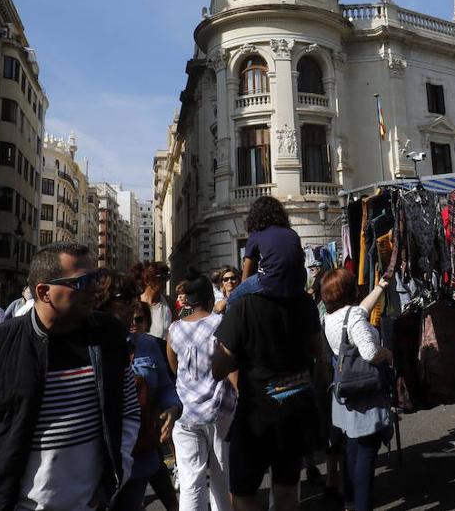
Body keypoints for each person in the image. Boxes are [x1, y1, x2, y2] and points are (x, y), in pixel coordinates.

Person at [0, 241, 140, 510]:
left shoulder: (107, 335)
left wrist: (117, 475)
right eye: (83, 282)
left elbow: (128, 411)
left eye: (96, 278)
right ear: (44, 292)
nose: (95, 288)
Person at [212, 196, 321, 511]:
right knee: (288, 490)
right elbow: (318, 352)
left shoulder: (245, 303)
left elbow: (219, 367)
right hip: (296, 407)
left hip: (257, 413)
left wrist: (236, 304)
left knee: (242, 492)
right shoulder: (305, 304)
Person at [92, 269, 180, 511]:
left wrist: (172, 408)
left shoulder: (149, 345)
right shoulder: (85, 347)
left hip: (139, 457)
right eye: (125, 298)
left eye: (134, 297)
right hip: (94, 465)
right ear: (102, 302)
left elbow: (164, 387)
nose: (134, 304)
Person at [320, 269, 394, 511]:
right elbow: (370, 352)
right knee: (365, 452)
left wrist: (381, 286)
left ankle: (350, 503)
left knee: (352, 448)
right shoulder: (353, 317)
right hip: (365, 395)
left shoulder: (331, 317)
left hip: (345, 393)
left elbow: (361, 309)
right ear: (349, 290)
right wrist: (387, 354)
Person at [167, 270, 237, 511]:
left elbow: (173, 366)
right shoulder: (221, 323)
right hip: (220, 410)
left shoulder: (174, 329)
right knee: (222, 476)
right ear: (210, 299)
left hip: (186, 412)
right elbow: (230, 363)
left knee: (190, 482)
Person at [225, 197, 305, 309]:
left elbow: (245, 276)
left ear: (255, 216)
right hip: (298, 282)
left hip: (270, 282)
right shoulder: (292, 233)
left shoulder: (256, 234)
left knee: (232, 299)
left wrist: (243, 290)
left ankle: (233, 325)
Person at [133, 261, 174, 340]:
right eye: (160, 278)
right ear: (147, 280)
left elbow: (176, 332)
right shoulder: (135, 302)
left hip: (162, 351)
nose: (164, 282)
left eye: (166, 278)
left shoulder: (169, 302)